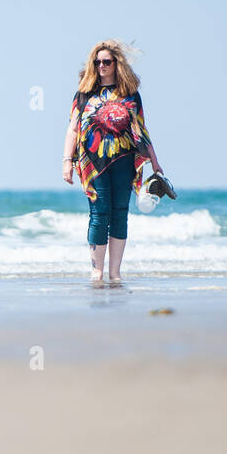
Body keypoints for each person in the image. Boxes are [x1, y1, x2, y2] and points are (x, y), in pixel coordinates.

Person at [60, 40, 164, 286]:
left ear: (117, 63)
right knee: (99, 214)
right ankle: (96, 271)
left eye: (106, 61)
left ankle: (115, 273)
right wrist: (67, 161)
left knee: (120, 214)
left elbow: (141, 129)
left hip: (124, 160)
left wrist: (155, 161)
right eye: (97, 62)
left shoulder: (130, 95)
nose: (101, 66)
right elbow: (73, 129)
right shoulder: (84, 94)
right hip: (92, 162)